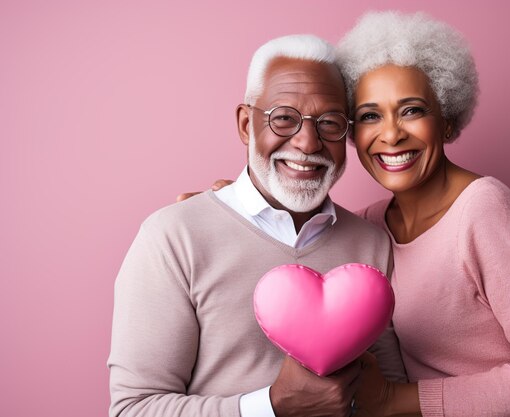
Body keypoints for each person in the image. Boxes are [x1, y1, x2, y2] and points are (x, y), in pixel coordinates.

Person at [107, 34, 405, 417]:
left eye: (329, 123)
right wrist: (272, 406)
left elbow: (392, 398)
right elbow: (133, 409)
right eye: (284, 118)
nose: (307, 142)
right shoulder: (172, 238)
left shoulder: (372, 244)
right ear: (247, 125)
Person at [333, 11, 510, 417]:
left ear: (447, 123)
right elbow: (296, 240)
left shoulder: (485, 209)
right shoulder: (370, 227)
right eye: (369, 116)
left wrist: (394, 401)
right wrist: (229, 200)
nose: (391, 133)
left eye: (412, 110)